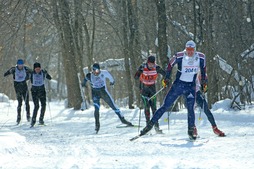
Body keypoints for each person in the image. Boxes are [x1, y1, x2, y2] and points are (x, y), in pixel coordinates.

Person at [139, 40, 207, 140]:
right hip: (178, 86)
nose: (190, 52)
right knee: (165, 106)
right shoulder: (180, 56)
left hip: (190, 87)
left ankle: (191, 130)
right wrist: (166, 77)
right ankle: (149, 126)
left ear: (195, 50)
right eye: (188, 49)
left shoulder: (200, 57)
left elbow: (203, 69)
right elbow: (170, 64)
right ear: (185, 49)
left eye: (192, 50)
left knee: (191, 108)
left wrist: (204, 82)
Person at [82, 63, 133, 133]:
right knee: (96, 109)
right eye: (96, 71)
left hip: (104, 92)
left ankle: (123, 120)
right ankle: (97, 125)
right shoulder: (89, 75)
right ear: (93, 70)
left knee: (113, 106)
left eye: (98, 70)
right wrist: (84, 84)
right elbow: (84, 81)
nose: (97, 72)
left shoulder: (104, 72)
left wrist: (112, 82)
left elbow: (111, 78)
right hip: (95, 94)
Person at [134, 55, 166, 134]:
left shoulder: (156, 67)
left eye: (152, 63)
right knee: (146, 108)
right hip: (144, 88)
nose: (151, 65)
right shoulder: (143, 67)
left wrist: (165, 80)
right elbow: (136, 76)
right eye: (149, 64)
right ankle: (148, 127)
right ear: (147, 62)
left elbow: (165, 74)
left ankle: (157, 127)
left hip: (152, 89)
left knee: (154, 109)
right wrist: (138, 73)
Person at [4, 59, 32, 124]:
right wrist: (7, 74)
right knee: (20, 103)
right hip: (17, 87)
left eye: (21, 65)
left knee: (27, 102)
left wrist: (29, 76)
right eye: (19, 65)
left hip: (24, 86)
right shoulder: (14, 69)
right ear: (17, 65)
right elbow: (6, 73)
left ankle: (28, 116)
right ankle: (18, 118)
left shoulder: (25, 68)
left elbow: (33, 72)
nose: (20, 66)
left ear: (23, 65)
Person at [30, 62, 52, 127]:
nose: (37, 70)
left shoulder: (43, 73)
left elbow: (49, 78)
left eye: (39, 69)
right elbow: (26, 78)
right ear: (34, 69)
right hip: (34, 91)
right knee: (36, 106)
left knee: (44, 105)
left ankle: (41, 119)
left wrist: (46, 73)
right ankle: (33, 121)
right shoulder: (31, 73)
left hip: (42, 90)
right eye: (36, 69)